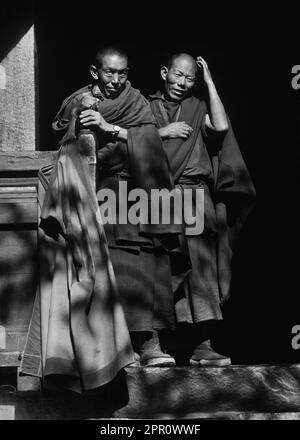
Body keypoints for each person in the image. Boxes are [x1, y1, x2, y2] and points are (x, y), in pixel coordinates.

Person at [52, 47, 188, 367]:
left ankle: (149, 343)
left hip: (134, 189)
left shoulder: (136, 101)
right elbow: (62, 134)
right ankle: (106, 349)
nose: (116, 80)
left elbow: (151, 140)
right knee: (101, 267)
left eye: (122, 73)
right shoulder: (78, 99)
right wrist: (81, 114)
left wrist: (106, 125)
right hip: (96, 190)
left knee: (145, 263)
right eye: (109, 72)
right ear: (94, 71)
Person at [148, 53, 256, 366]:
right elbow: (131, 141)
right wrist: (163, 132)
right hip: (158, 196)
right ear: (164, 72)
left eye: (190, 78)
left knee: (201, 269)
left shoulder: (198, 108)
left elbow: (220, 127)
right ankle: (153, 344)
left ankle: (203, 344)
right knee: (159, 268)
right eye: (178, 75)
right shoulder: (145, 106)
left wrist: (209, 83)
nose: (182, 83)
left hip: (195, 195)